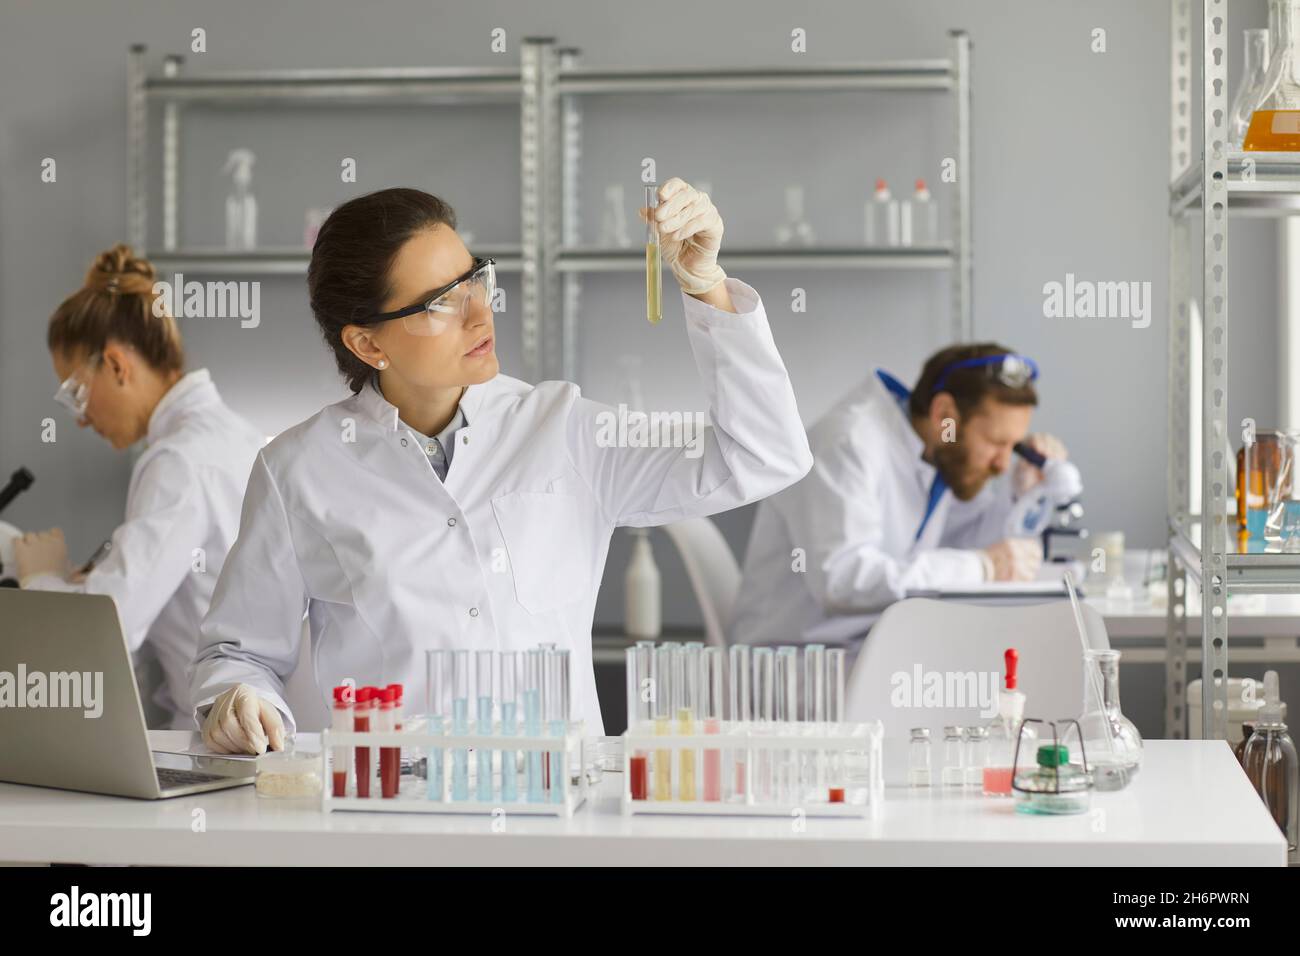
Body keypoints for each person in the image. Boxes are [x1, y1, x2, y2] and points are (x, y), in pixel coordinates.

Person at [192, 181, 813, 754]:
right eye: (440, 302)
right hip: (394, 815)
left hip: (557, 812)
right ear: (368, 344)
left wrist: (706, 285)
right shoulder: (298, 468)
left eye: (474, 280)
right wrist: (241, 698)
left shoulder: (563, 428)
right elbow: (239, 654)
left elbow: (764, 455)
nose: (478, 313)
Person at [14, 244, 265, 727]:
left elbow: (109, 625)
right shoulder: (229, 436)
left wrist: (39, 578)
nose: (82, 419)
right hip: (243, 727)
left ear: (115, 365)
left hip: (222, 740)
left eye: (76, 393)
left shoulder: (177, 460)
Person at [730, 343, 1077, 649]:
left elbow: (956, 548)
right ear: (945, 415)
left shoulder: (933, 452)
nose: (1003, 463)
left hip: (870, 650)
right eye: (996, 443)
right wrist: (983, 566)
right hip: (802, 668)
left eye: (1013, 447)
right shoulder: (850, 444)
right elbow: (844, 580)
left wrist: (1020, 496)